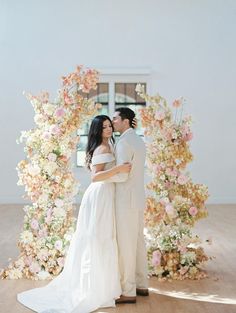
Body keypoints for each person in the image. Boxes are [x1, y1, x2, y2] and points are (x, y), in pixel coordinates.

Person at [17, 115, 131, 313]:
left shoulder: (110, 145)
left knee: (104, 237)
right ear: (97, 130)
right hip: (99, 195)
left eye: (109, 126)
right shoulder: (102, 148)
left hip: (106, 194)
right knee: (97, 238)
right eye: (104, 127)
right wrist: (119, 169)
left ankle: (104, 286)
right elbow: (95, 177)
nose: (109, 129)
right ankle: (94, 287)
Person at [93, 107, 149, 304]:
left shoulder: (124, 142)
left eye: (115, 119)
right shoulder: (137, 139)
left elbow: (124, 174)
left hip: (126, 201)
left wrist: (103, 180)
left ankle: (128, 290)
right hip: (138, 199)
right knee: (138, 243)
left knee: (126, 246)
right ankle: (142, 284)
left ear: (125, 121)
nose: (112, 122)